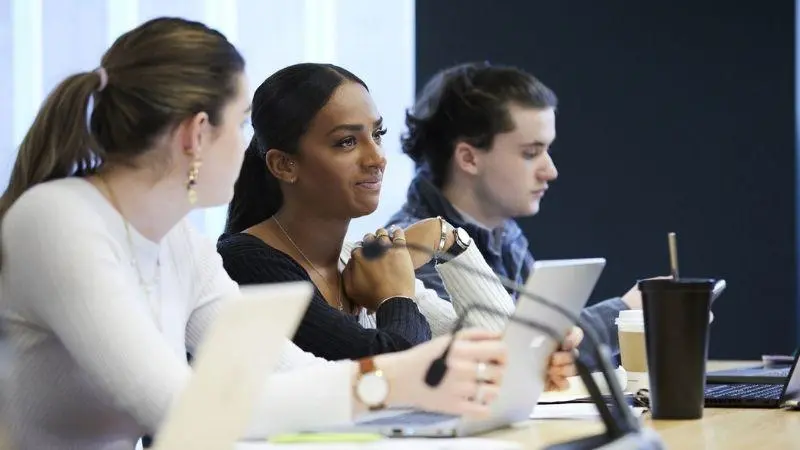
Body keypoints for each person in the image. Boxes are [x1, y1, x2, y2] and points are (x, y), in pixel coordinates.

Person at [0, 19, 512, 449]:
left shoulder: (180, 242)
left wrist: (426, 368)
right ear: (196, 134)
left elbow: (285, 371)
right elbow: (180, 408)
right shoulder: (57, 220)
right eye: (242, 122)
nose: (249, 145)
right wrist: (394, 378)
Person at [219, 63, 581, 370]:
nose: (377, 157)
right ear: (284, 164)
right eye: (346, 141)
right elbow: (389, 373)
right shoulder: (246, 262)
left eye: (377, 135)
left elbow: (506, 359)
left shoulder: (358, 257)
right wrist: (395, 297)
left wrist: (449, 240)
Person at [386, 62, 645, 361]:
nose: (551, 171)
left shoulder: (505, 233)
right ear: (469, 158)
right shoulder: (413, 248)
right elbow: (506, 357)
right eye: (531, 153)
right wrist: (627, 314)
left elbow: (535, 352)